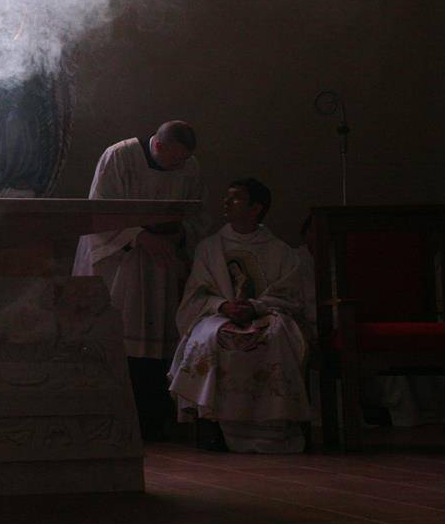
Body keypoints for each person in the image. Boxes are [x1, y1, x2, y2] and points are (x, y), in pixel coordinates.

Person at [71, 121, 207, 440]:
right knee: (124, 336)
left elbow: (199, 213)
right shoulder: (119, 157)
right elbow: (99, 211)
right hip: (123, 260)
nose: (180, 167)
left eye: (184, 161)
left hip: (164, 262)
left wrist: (179, 237)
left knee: (160, 338)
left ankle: (154, 420)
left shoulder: (189, 165)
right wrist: (140, 237)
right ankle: (118, 418)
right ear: (158, 146)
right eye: (175, 160)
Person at [169, 178, 311, 453]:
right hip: (219, 314)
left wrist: (256, 306)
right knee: (213, 337)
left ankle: (274, 424)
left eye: (235, 198)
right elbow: (195, 294)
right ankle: (213, 425)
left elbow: (291, 294)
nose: (226, 203)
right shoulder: (209, 248)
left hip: (265, 312)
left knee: (276, 335)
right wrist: (223, 305)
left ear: (256, 208)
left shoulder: (279, 250)